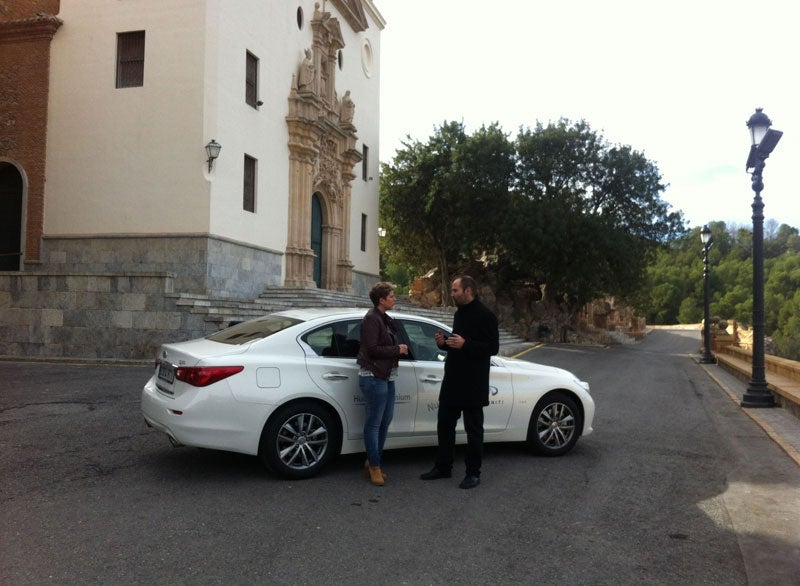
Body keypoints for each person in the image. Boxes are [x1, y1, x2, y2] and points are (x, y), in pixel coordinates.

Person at [420, 275, 499, 489]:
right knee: (444, 425)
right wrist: (444, 344)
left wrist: (466, 344)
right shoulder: (459, 314)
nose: (452, 293)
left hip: (473, 383)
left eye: (455, 290)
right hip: (453, 381)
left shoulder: (486, 316)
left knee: (474, 431)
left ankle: (473, 473)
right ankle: (443, 467)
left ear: (468, 291)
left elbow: (492, 348)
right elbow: (458, 345)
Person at [356, 282, 408, 486]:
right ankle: (375, 467)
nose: (395, 299)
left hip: (387, 375)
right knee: (374, 423)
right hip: (373, 376)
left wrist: (398, 348)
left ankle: (372, 461)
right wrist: (397, 350)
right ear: (381, 300)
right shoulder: (371, 319)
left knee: (385, 421)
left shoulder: (385, 319)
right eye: (392, 296)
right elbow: (372, 349)